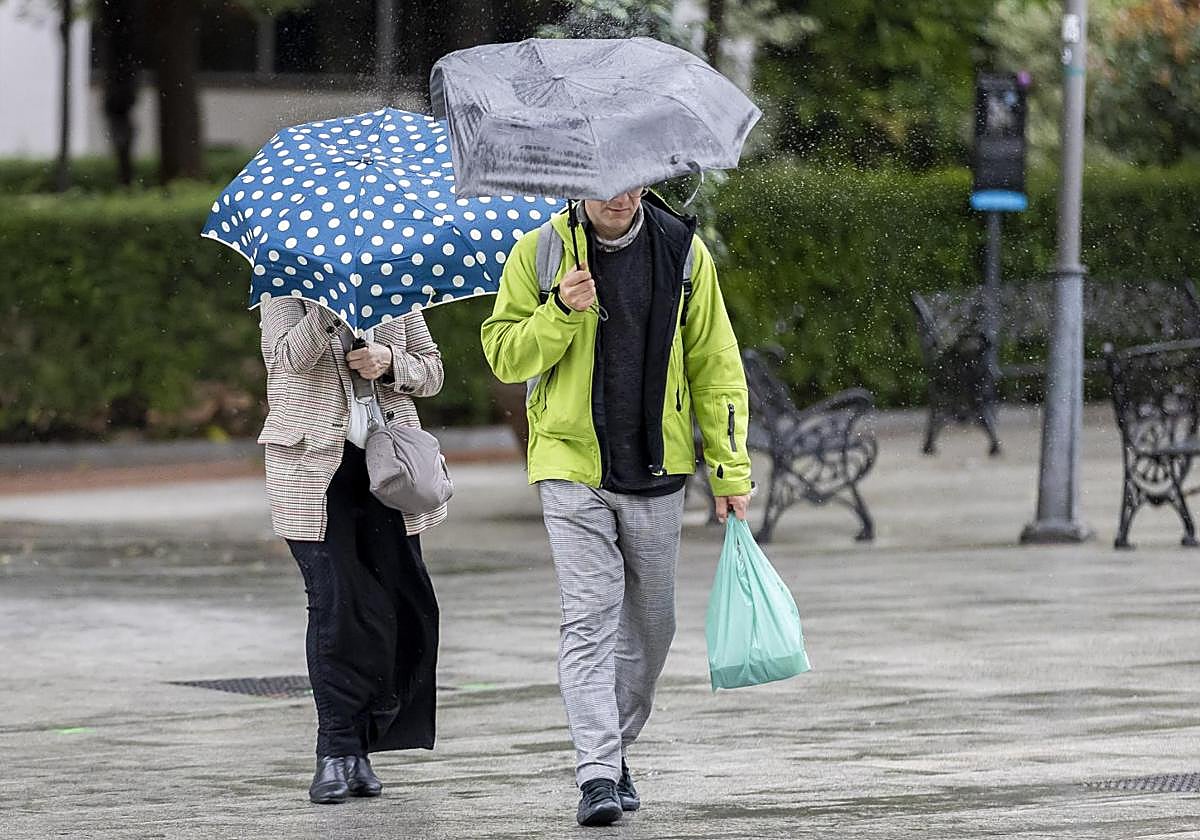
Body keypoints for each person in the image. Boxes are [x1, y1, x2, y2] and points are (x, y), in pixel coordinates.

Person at [481, 188, 752, 826]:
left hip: (658, 469)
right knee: (588, 622)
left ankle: (615, 746)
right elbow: (503, 353)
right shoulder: (541, 252)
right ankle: (597, 772)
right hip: (572, 469)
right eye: (607, 182)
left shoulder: (683, 251)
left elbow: (715, 365)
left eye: (634, 179)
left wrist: (729, 470)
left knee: (653, 629)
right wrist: (558, 310)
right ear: (578, 182)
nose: (621, 195)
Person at [257, 298, 446, 804]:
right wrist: (329, 309)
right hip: (311, 469)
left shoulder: (397, 285)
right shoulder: (283, 293)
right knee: (339, 605)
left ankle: (362, 744)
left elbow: (433, 372)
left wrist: (389, 362)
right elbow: (285, 358)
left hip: (387, 469)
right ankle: (335, 750)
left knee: (399, 607)